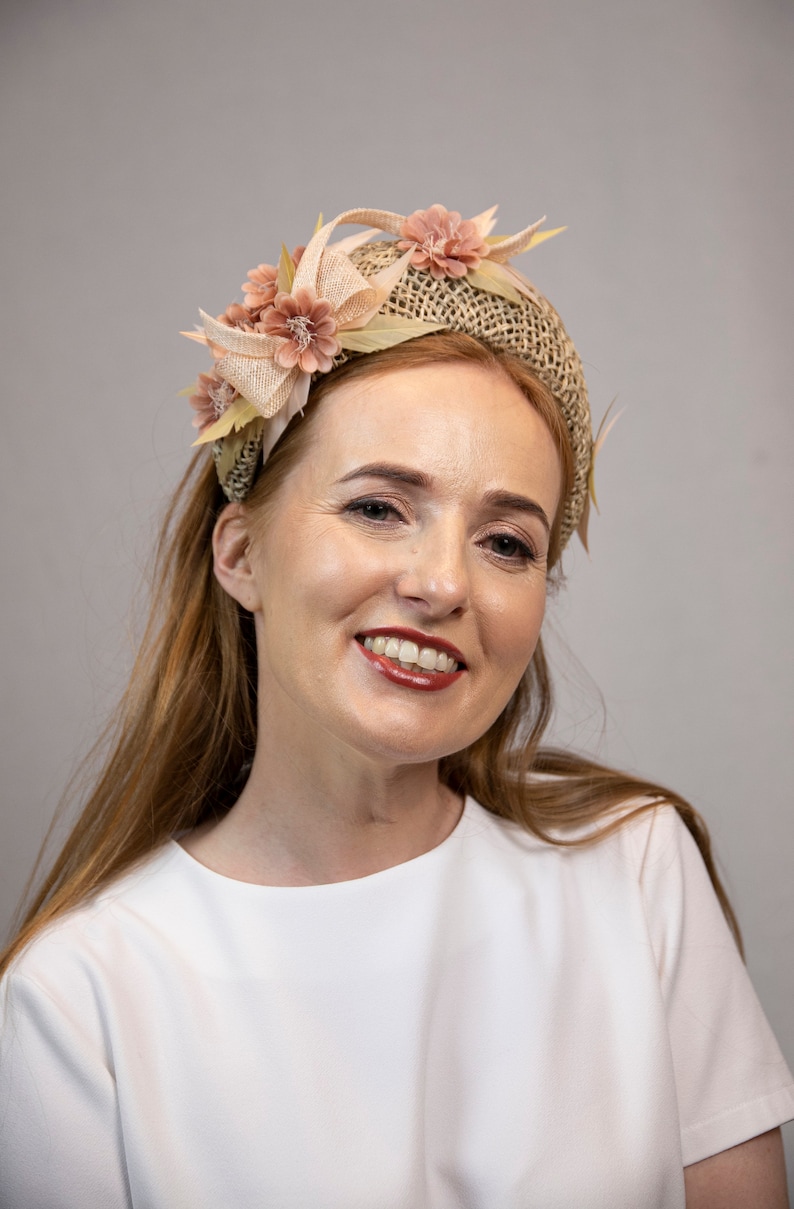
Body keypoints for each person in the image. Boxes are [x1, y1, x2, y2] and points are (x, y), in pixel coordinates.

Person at [0, 204, 791, 1209]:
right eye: (379, 507)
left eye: (505, 541)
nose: (441, 584)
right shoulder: (81, 997)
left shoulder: (634, 872)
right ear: (241, 553)